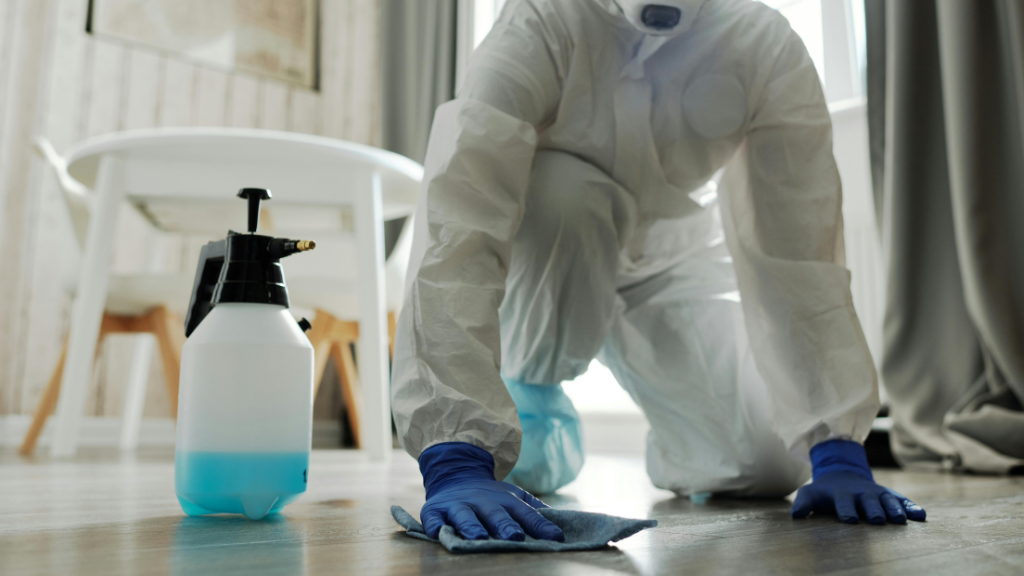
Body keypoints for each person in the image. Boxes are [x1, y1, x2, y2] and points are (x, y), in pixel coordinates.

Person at [391, 0, 927, 542]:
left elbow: (796, 247)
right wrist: (454, 449)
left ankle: (660, 428)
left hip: (669, 257)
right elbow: (461, 217)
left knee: (764, 465)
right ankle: (530, 395)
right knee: (568, 194)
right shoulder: (543, 19)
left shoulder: (764, 45)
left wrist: (835, 444)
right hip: (554, 251)